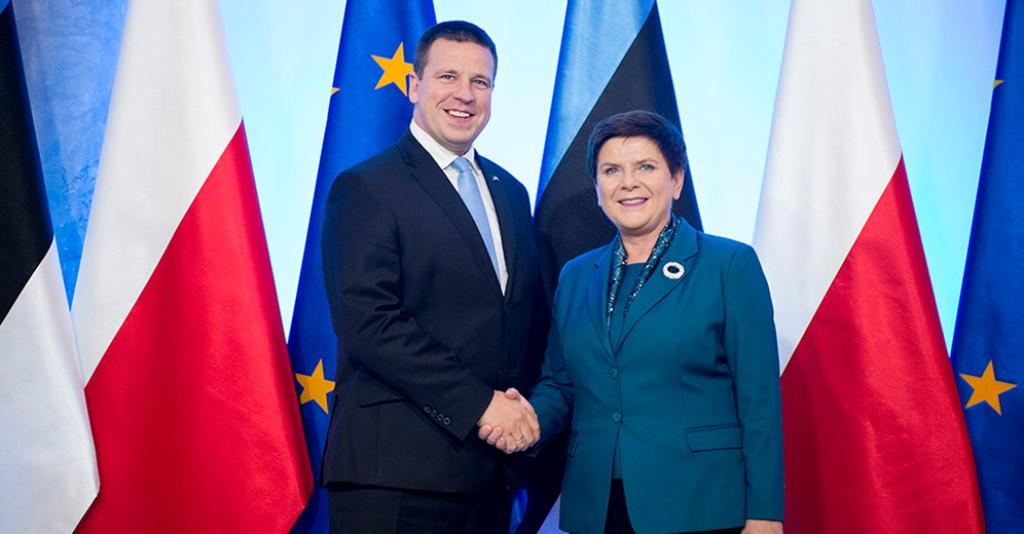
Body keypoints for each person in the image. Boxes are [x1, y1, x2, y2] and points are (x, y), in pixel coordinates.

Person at [482, 110, 783, 534]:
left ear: (676, 180)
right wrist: (526, 421)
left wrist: (765, 514)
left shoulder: (729, 265)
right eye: (611, 171)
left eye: (645, 167)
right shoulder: (576, 276)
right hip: (598, 506)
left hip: (700, 504)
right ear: (598, 189)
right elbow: (562, 383)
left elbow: (759, 401)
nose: (628, 182)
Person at [320, 20, 546, 533]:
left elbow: (516, 322)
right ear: (414, 86)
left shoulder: (511, 193)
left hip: (489, 478)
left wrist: (520, 415)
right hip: (394, 478)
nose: (465, 94)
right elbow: (369, 323)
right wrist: (481, 405)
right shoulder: (367, 187)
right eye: (448, 77)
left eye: (480, 81)